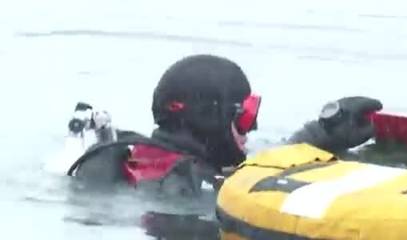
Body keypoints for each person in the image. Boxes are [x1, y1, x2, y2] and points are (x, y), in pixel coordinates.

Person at [65, 54, 382, 196]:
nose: (251, 130)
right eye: (243, 118)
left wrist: (322, 132)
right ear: (209, 119)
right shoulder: (184, 184)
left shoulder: (135, 151)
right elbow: (254, 179)